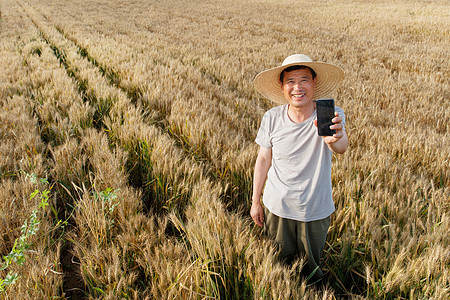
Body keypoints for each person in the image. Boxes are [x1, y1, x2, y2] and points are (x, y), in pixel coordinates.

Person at [251, 54, 348, 282]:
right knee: (279, 265)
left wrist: (335, 139)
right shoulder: (272, 118)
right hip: (277, 206)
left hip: (314, 208)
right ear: (282, 86)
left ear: (315, 83)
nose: (298, 87)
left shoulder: (329, 114)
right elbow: (263, 160)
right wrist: (256, 201)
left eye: (304, 80)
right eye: (291, 81)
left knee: (311, 269)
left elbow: (341, 147)